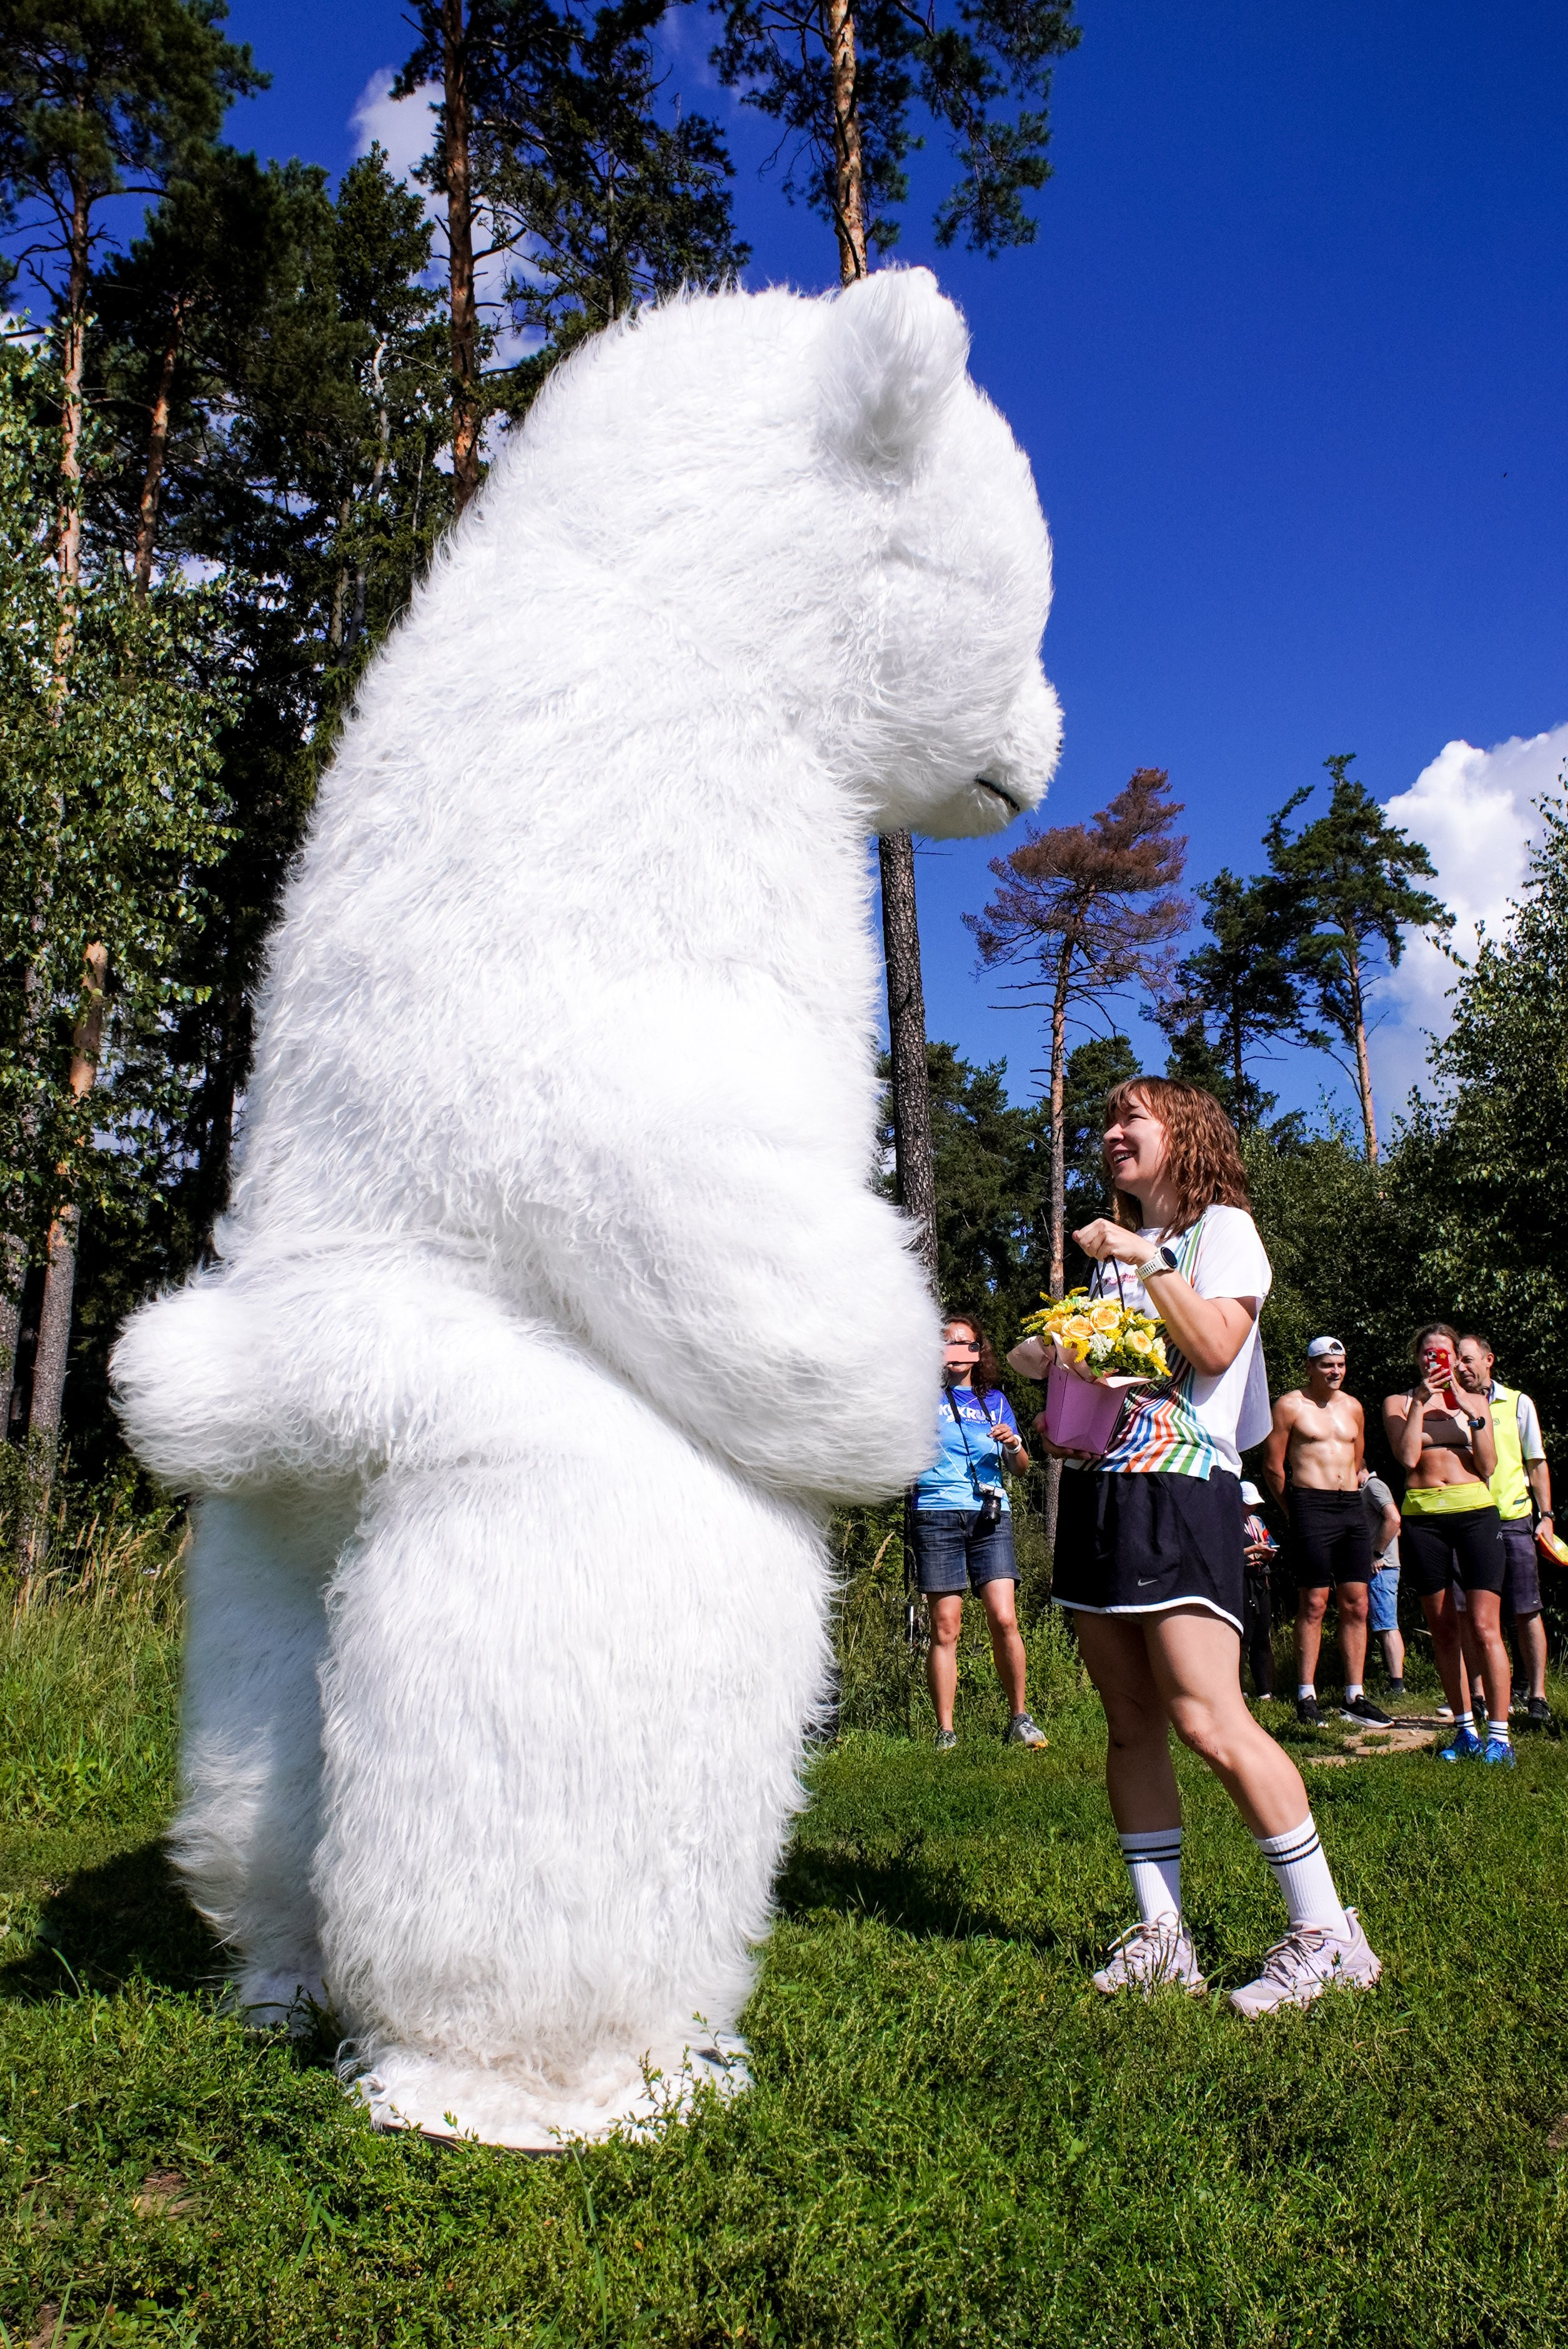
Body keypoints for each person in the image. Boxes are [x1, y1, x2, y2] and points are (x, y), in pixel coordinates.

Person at [1023, 1077, 1380, 2015]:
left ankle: (1327, 1932)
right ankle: (1161, 1938)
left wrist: (1143, 1258)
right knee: (1130, 1720)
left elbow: (1216, 1346)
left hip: (1182, 1492)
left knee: (1207, 1716)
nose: (1109, 1134)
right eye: (1103, 1121)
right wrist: (1054, 1361)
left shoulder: (1222, 1231)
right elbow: (1105, 1371)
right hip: (1102, 1494)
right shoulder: (1119, 1259)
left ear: (1180, 1132)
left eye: (1128, 1117)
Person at [911, 1313, 1048, 1752]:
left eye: (964, 1343)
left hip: (990, 1515)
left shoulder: (996, 1401)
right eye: (946, 1343)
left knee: (1004, 1617)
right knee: (946, 1626)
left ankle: (1020, 1718)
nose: (955, 1351)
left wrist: (1014, 1445)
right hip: (936, 1513)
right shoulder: (918, 1398)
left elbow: (1022, 1469)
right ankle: (946, 1731)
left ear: (977, 1351)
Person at [1383, 1325, 1510, 1764]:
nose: (1434, 1360)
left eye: (1443, 1353)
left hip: (1475, 1511)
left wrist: (1469, 1413)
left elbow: (1489, 1462)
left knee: (1484, 1624)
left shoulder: (1477, 1401)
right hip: (1423, 1517)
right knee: (1442, 1627)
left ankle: (1500, 1735)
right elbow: (1407, 1457)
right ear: (1418, 1358)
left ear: (1457, 1357)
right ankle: (1464, 1730)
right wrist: (1422, 1401)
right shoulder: (1399, 1403)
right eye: (1427, 1354)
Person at [1261, 1338, 1392, 1728]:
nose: (1335, 1371)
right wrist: (1296, 1512)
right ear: (1309, 1368)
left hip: (1349, 1507)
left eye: (1340, 1364)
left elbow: (1358, 1458)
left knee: (1357, 1601)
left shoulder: (1353, 1407)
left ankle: (1356, 1695)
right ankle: (1306, 1694)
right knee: (1314, 1601)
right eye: (1326, 1365)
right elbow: (1272, 1466)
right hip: (1309, 1505)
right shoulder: (1290, 1406)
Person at [1457, 1334, 1554, 1726]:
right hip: (1464, 1520)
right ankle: (1478, 1696)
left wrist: (1546, 1515)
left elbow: (1536, 1462)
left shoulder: (1517, 1403)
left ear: (1488, 1360)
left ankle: (1537, 1696)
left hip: (1512, 1518)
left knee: (1527, 1609)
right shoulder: (1446, 1406)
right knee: (1470, 1614)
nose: (1460, 1368)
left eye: (1467, 1360)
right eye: (1456, 1361)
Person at [1360, 1467, 1405, 1696]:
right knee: (1383, 1623)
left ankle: (1397, 1684)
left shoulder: (1373, 1487)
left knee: (1387, 1624)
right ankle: (1394, 1681)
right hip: (1382, 1566)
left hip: (1382, 1567)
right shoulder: (1370, 1488)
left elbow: (1394, 1519)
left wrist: (1377, 1554)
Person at [1239, 1481, 1278, 1701]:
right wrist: (1253, 1550)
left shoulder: (1257, 1522)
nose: (1252, 1508)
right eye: (1248, 1504)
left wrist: (1267, 1553)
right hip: (1241, 1583)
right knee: (1243, 1638)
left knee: (1263, 1637)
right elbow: (1227, 1553)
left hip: (1261, 1581)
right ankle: (1239, 1690)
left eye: (1254, 1504)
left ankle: (1265, 1691)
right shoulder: (1228, 1522)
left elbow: (1270, 1543)